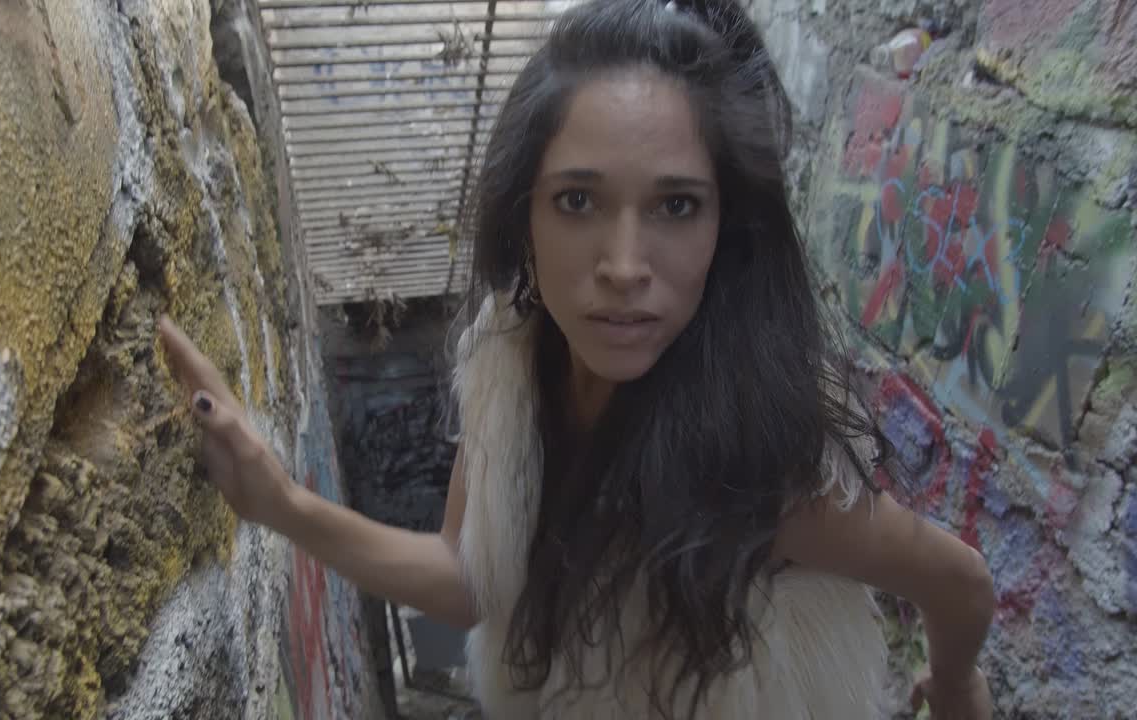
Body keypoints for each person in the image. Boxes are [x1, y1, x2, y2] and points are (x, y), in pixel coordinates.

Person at [158, 0, 996, 716]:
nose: (625, 265)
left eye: (675, 204)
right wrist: (279, 504)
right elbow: (468, 578)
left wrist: (955, 686)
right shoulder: (509, 367)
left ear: (724, 227)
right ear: (525, 214)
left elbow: (957, 581)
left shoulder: (754, 461)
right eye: (577, 200)